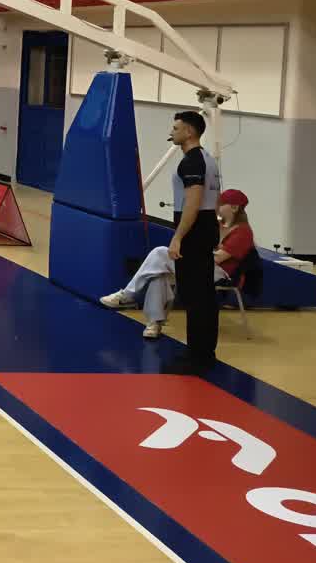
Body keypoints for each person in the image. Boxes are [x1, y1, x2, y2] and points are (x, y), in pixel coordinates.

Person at [101, 189, 253, 339]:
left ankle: (128, 295)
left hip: (219, 273)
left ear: (234, 207)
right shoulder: (218, 227)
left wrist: (192, 253)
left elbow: (217, 258)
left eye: (221, 204)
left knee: (160, 253)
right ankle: (154, 324)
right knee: (158, 274)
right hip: (203, 266)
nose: (216, 207)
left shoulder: (243, 232)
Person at [166, 111, 222, 372]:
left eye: (176, 128)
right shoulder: (208, 159)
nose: (172, 132)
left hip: (194, 229)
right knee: (204, 294)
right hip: (206, 226)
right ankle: (204, 352)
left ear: (189, 132)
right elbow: (215, 200)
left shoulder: (191, 162)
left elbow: (193, 202)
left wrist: (178, 237)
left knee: (195, 295)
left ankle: (196, 358)